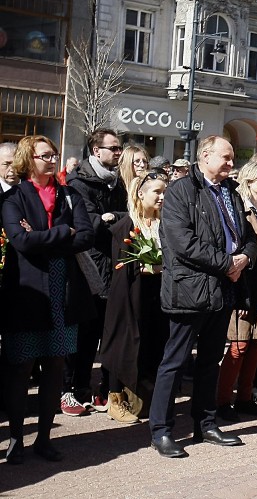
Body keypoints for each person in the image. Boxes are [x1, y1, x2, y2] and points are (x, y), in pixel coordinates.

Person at [149, 135, 257, 458]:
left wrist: (245, 259)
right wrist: (227, 263)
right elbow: (182, 242)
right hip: (189, 288)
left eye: (232, 158)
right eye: (225, 157)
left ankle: (206, 423)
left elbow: (248, 235)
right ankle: (162, 430)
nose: (231, 163)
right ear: (205, 155)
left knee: (210, 360)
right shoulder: (182, 191)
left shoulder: (231, 192)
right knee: (175, 361)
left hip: (223, 289)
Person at [1, 135, 95, 464]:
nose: (52, 160)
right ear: (29, 160)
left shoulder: (69, 195)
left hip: (63, 291)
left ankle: (44, 437)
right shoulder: (14, 197)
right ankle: (15, 436)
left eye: (54, 154)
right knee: (21, 367)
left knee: (55, 365)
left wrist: (46, 237)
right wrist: (62, 233)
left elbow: (86, 235)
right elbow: (21, 242)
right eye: (45, 155)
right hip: (27, 293)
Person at [65, 128, 128, 415]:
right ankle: (75, 388)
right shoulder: (80, 181)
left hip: (114, 260)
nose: (118, 152)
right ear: (96, 151)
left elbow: (133, 213)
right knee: (86, 331)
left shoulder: (118, 181)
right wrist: (116, 221)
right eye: (113, 148)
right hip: (89, 263)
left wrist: (114, 217)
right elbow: (91, 225)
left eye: (119, 148)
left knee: (108, 328)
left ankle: (104, 388)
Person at [100, 171, 170, 424]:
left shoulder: (166, 224)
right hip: (130, 293)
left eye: (165, 192)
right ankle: (115, 399)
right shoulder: (127, 225)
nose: (162, 197)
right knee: (124, 342)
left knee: (153, 343)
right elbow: (124, 265)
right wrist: (154, 267)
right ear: (141, 193)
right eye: (157, 192)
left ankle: (144, 398)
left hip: (158, 294)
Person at [215, 162, 257, 422]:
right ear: (247, 181)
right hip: (243, 287)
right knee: (238, 346)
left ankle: (245, 397)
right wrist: (241, 291)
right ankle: (222, 401)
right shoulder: (240, 210)